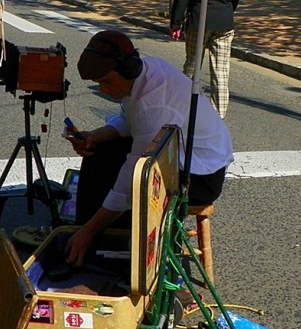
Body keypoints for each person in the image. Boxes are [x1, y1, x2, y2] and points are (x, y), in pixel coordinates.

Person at [62, 30, 234, 268]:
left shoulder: (154, 104)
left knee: (126, 187)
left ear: (128, 70)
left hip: (201, 177)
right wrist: (95, 137)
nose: (103, 90)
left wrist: (90, 230)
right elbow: (128, 120)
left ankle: (97, 243)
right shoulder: (146, 71)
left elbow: (133, 180)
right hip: (180, 155)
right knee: (99, 154)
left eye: (106, 82)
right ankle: (89, 238)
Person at [170, 0, 240, 118]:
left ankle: (185, 105)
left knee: (192, 66)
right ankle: (218, 115)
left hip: (198, 20)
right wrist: (227, 11)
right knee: (221, 72)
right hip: (224, 21)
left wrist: (176, 23)